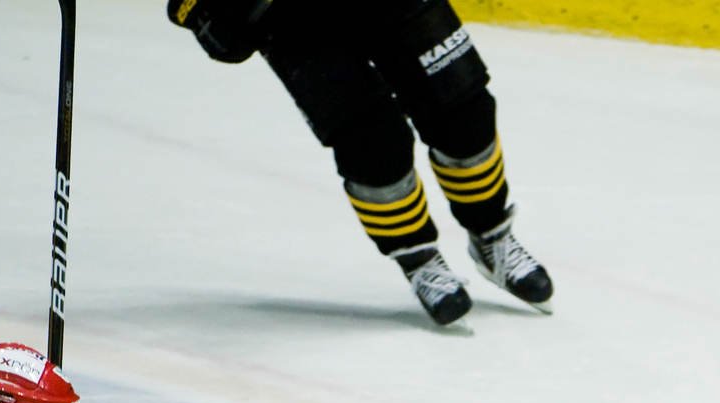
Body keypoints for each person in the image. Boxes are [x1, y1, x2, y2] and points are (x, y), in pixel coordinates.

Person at [169, 0, 554, 326]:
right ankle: (418, 259)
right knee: (372, 144)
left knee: (463, 110)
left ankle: (493, 237)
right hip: (295, 24)